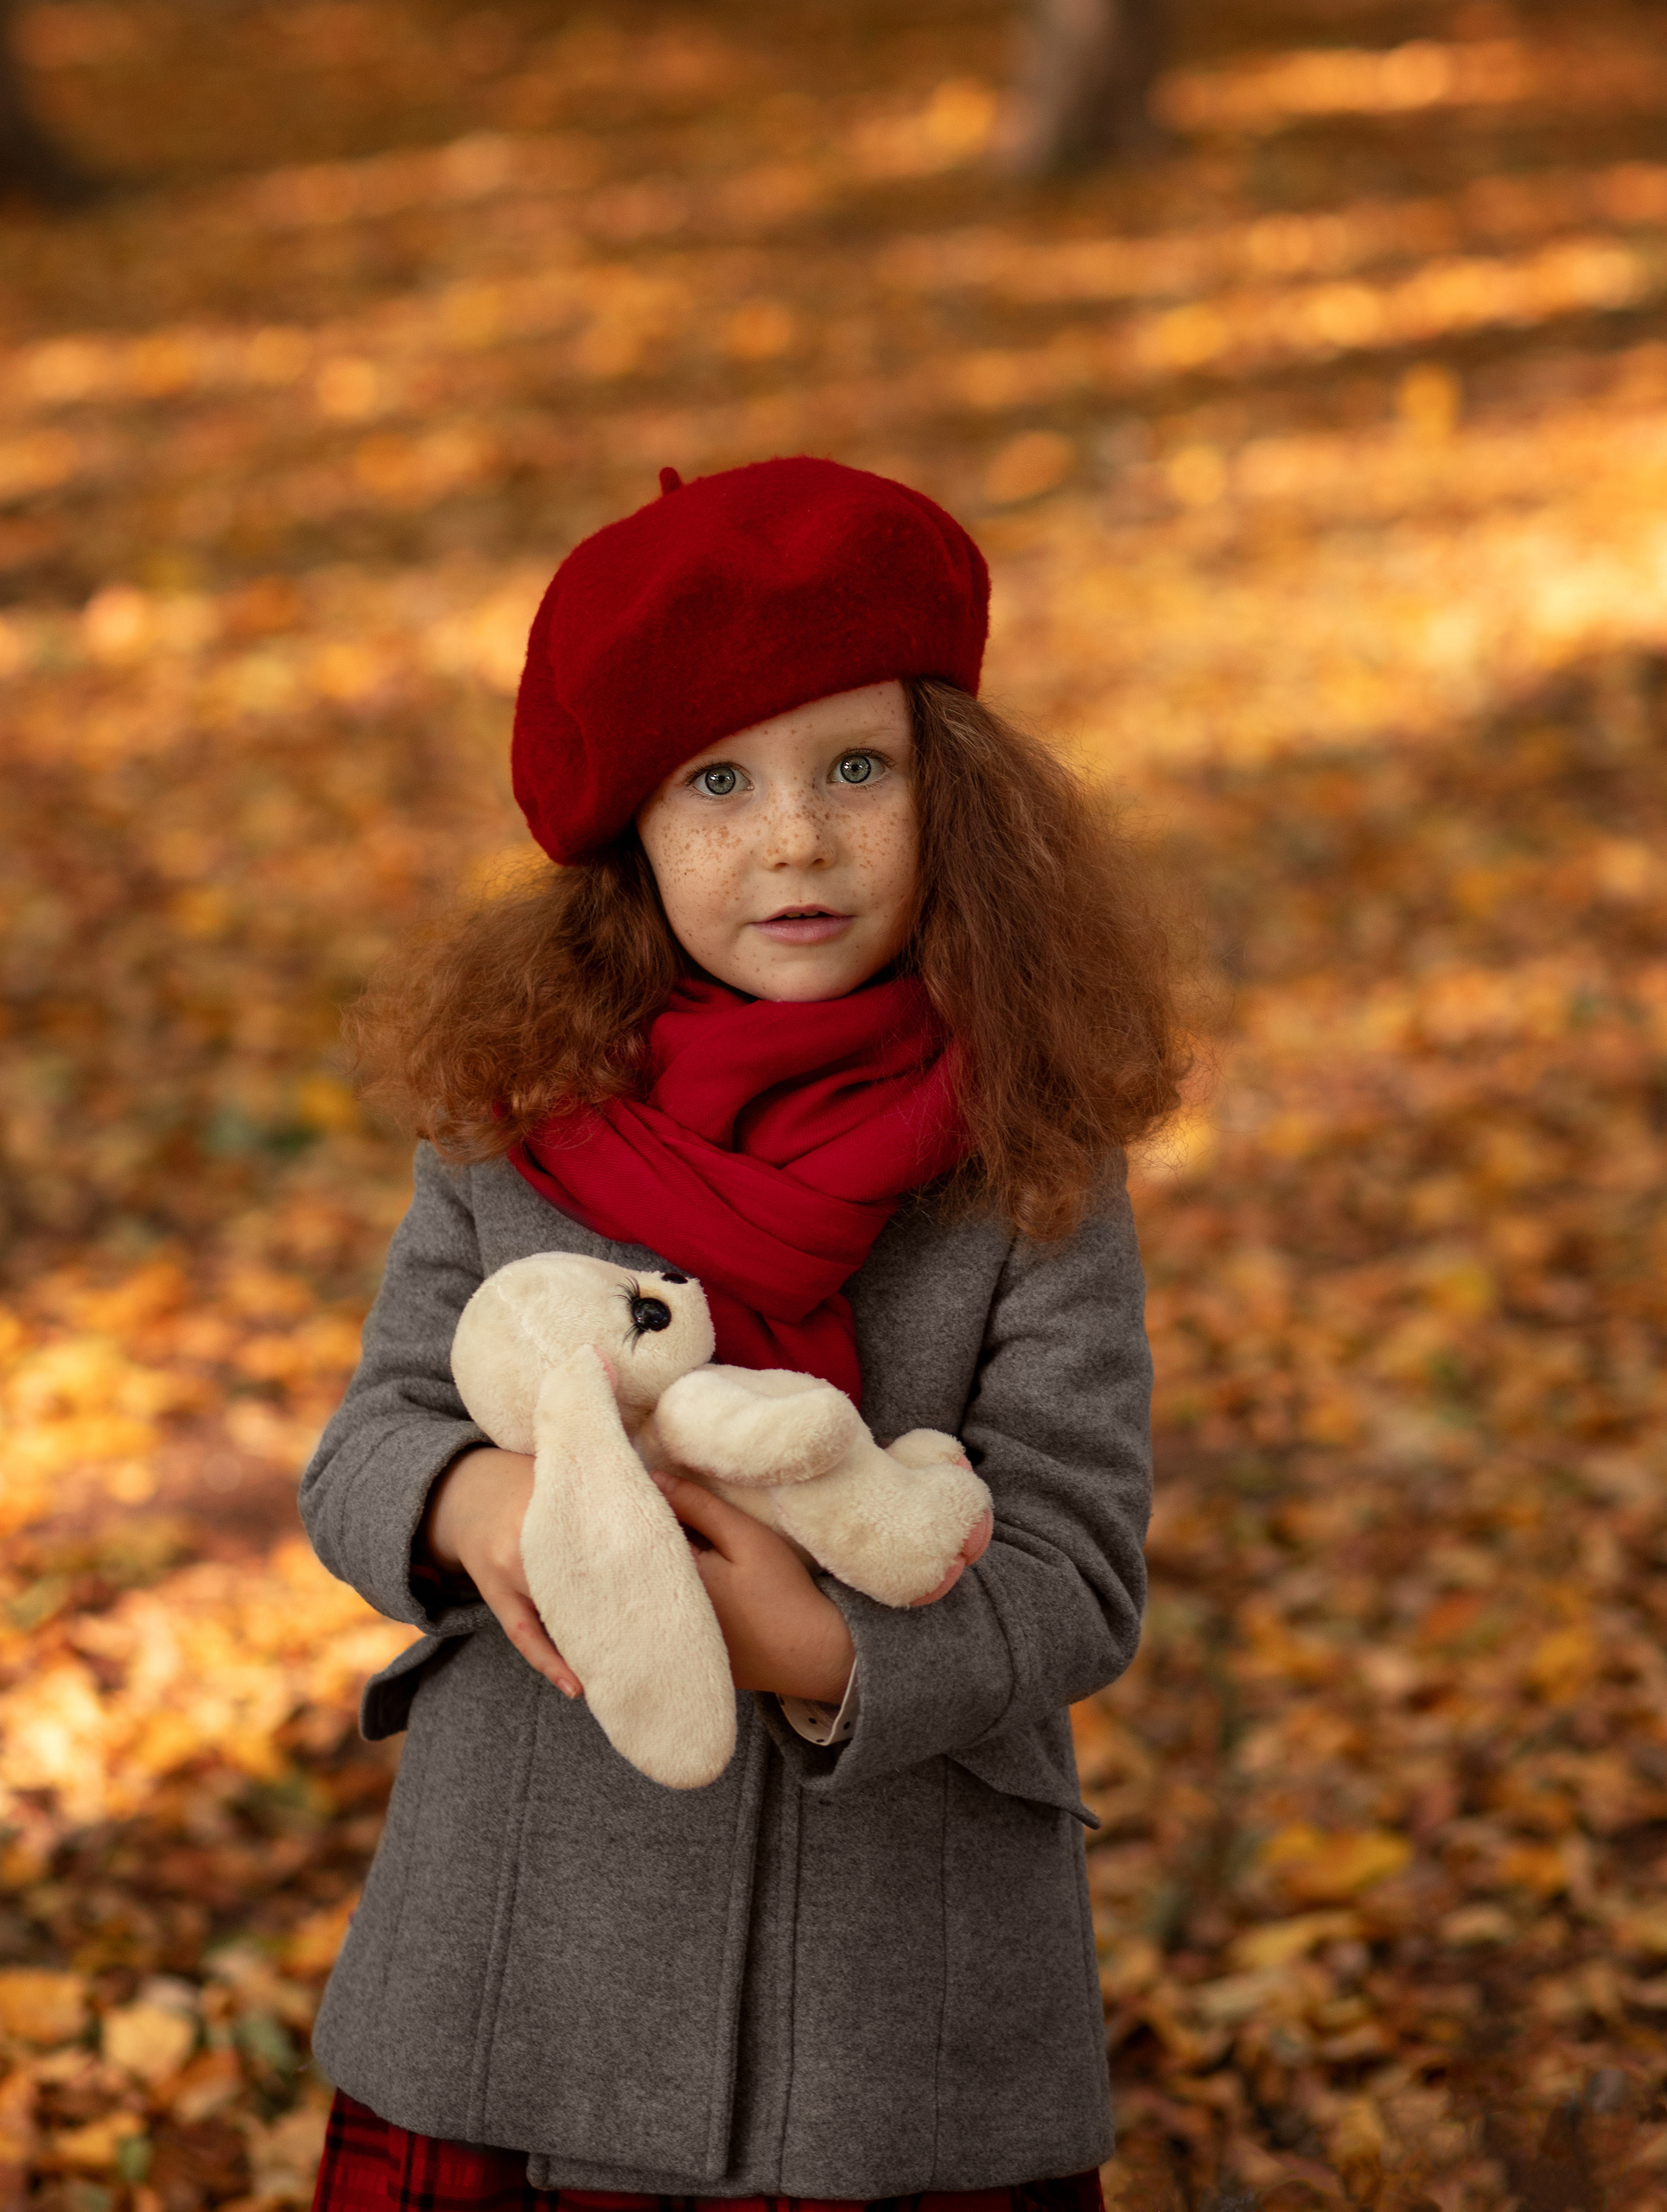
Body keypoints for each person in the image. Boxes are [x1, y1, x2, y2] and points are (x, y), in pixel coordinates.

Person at [299, 455, 1184, 2212]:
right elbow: (365, 1446)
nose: (794, 835)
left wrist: (825, 1645)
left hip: (891, 2020)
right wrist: (473, 1506)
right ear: (629, 827)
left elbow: (1078, 1564)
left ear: (960, 799)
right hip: (515, 1966)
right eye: (718, 779)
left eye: (855, 766)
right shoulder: (520, 1122)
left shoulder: (1027, 1159)